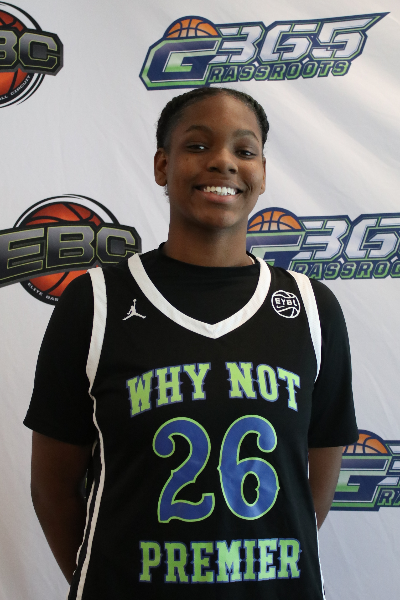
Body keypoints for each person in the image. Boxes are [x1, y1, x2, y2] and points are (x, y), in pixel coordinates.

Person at [24, 87, 358, 600]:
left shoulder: (312, 308)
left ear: (262, 173)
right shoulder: (96, 302)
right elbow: (52, 488)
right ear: (163, 165)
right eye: (198, 146)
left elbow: (313, 488)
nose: (223, 162)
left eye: (244, 150)